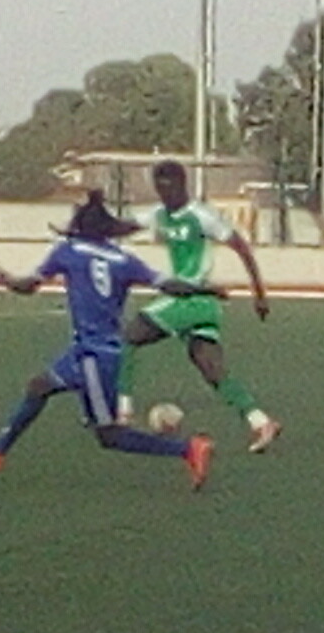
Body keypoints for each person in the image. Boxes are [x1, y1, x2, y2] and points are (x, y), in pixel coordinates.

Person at [0, 192, 214, 487]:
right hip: (92, 350)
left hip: (95, 355)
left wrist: (7, 281)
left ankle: (188, 449)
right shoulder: (125, 261)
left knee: (109, 435)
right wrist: (203, 289)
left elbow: (29, 286)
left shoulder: (68, 250)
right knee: (39, 387)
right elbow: (169, 285)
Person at [118, 160, 282, 454]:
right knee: (212, 369)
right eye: (160, 188)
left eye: (169, 187)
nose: (164, 193)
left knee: (128, 336)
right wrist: (83, 227)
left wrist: (259, 293)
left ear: (183, 185)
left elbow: (241, 246)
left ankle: (123, 412)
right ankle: (261, 421)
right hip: (198, 304)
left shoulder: (202, 216)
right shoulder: (159, 215)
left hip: (191, 299)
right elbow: (123, 225)